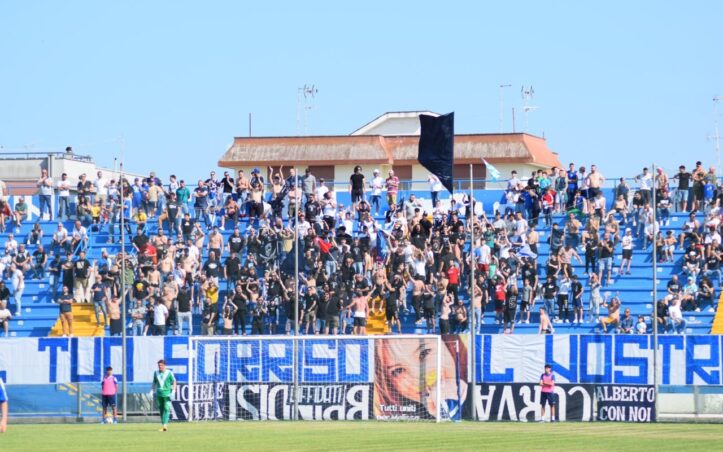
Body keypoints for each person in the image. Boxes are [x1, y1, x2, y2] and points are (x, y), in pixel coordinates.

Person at [152, 359, 176, 432]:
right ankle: (164, 424)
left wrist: (173, 391)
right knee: (161, 409)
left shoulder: (169, 373)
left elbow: (174, 381)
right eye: (159, 365)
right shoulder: (156, 373)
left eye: (161, 365)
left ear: (165, 365)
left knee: (166, 408)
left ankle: (165, 426)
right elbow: (154, 382)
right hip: (159, 394)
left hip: (167, 393)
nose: (160, 366)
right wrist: (151, 390)